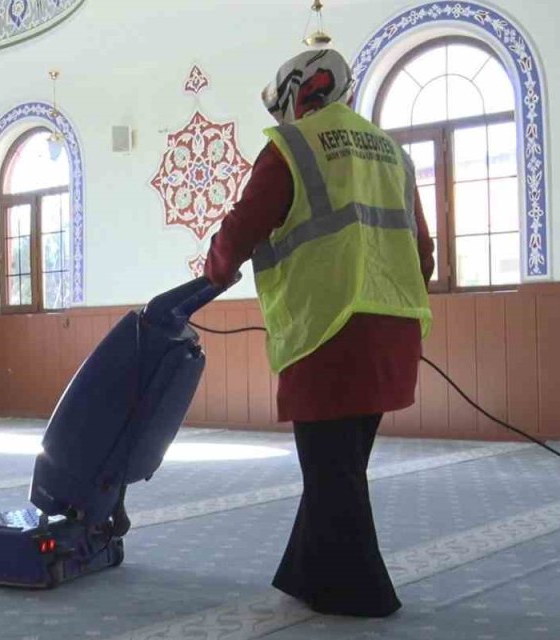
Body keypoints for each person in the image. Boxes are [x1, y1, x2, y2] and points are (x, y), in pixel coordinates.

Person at [204, 48, 435, 619]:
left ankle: (364, 596)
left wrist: (211, 272)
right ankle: (307, 575)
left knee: (333, 472)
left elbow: (243, 227)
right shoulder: (393, 154)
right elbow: (423, 255)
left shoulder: (292, 147)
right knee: (340, 467)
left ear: (293, 95)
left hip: (328, 333)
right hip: (394, 331)